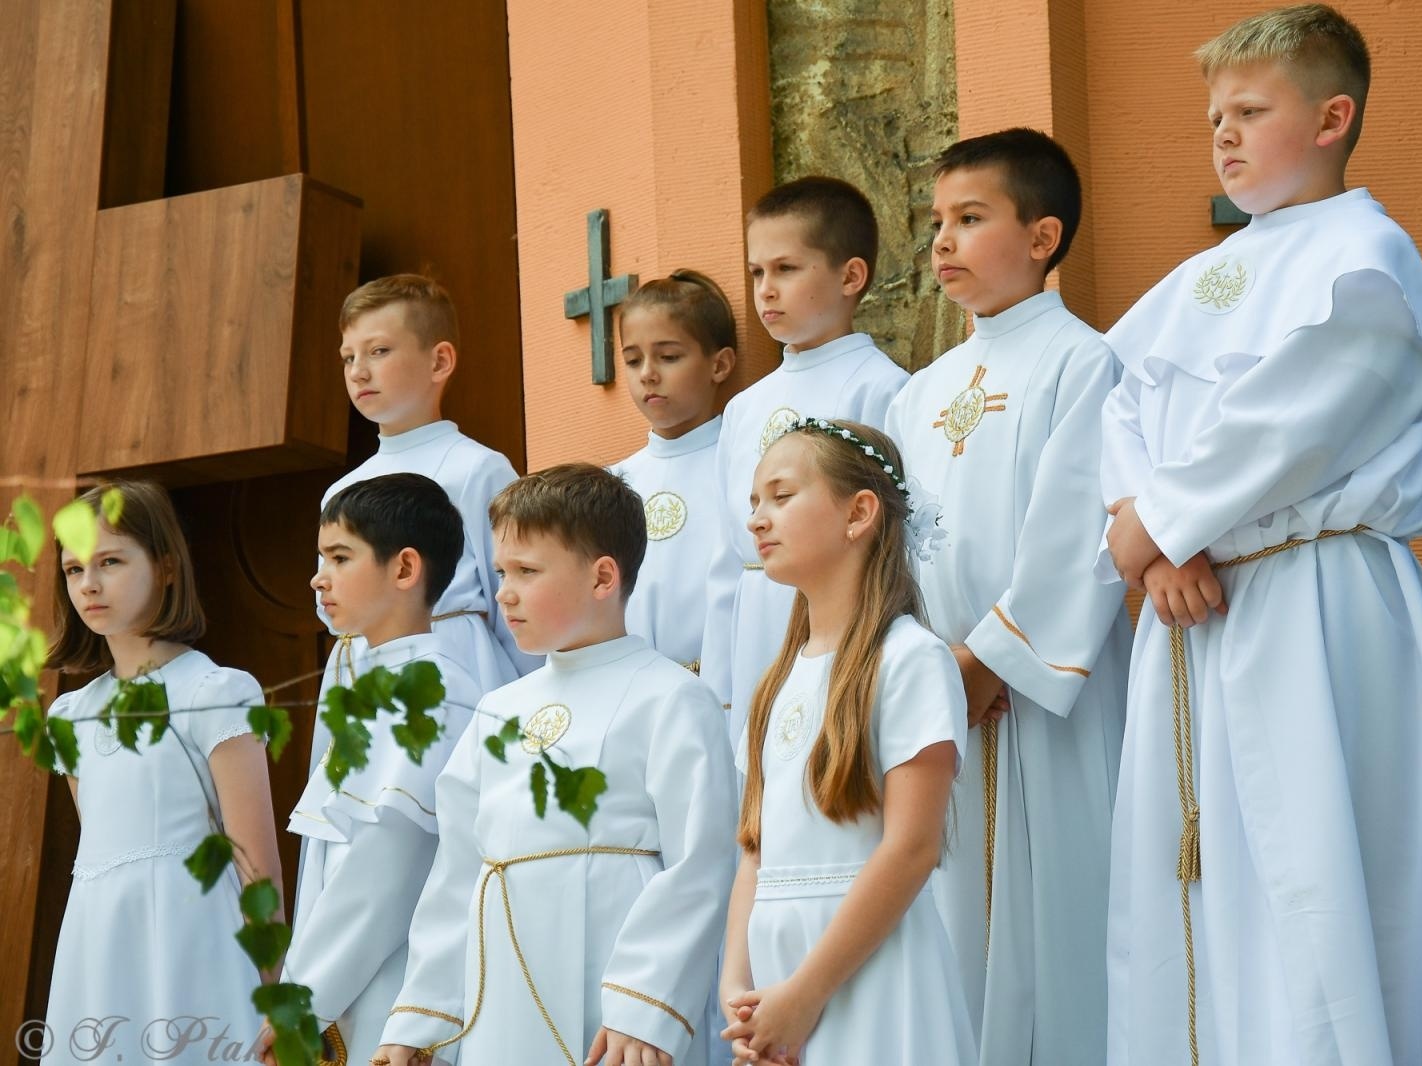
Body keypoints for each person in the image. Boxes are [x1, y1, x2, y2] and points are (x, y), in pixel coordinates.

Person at [1100, 7, 1422, 1064]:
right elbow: (1119, 403)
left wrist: (1161, 525)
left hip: (1313, 605)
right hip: (1199, 602)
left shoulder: (1367, 259)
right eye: (1213, 115)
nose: (1222, 133)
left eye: (1249, 111)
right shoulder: (1197, 278)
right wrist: (1164, 539)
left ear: (1332, 117)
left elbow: (1294, 422)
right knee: (1204, 870)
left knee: (1312, 859)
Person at [884, 127, 1131, 1065]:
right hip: (945, 684)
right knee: (956, 914)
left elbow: (1079, 530)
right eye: (937, 221)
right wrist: (927, 664)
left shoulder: (1083, 362)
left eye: (971, 218)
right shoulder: (922, 393)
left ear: (1042, 236)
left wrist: (989, 659)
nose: (942, 241)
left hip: (1040, 686)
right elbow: (905, 547)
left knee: (1060, 910)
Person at [374, 464, 738, 1066]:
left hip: (615, 1001)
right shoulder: (498, 710)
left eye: (527, 572)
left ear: (602, 577)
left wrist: (646, 1005)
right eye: (499, 572)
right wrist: (419, 1021)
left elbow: (701, 863)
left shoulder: (671, 697)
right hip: (501, 993)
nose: (504, 593)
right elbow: (460, 872)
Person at [719, 419, 975, 1066]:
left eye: (780, 496)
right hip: (777, 982)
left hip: (869, 968)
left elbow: (911, 848)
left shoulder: (910, 660)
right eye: (753, 503)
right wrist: (737, 987)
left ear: (859, 513)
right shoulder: (780, 679)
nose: (758, 519)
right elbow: (756, 845)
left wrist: (805, 995)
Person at [44, 481, 281, 1065]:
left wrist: (280, 995)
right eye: (74, 570)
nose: (90, 585)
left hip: (194, 936)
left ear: (167, 566)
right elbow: (100, 849)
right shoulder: (69, 715)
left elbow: (257, 862)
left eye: (111, 562)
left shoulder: (217, 692)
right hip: (99, 942)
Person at [261, 474, 482, 1064]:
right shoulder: (378, 684)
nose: (318, 577)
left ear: (405, 569)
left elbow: (386, 866)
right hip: (345, 978)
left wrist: (305, 1000)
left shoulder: (429, 694)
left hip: (395, 981)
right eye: (320, 558)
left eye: (340, 557)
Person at [700, 177, 907, 748]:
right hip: (754, 629)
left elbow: (897, 536)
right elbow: (726, 559)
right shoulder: (742, 408)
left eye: (786, 270)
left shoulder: (883, 390)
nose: (766, 290)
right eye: (757, 273)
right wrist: (720, 682)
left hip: (844, 620)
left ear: (850, 276)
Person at [318, 273, 531, 705]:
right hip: (365, 669)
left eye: (378, 351)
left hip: (458, 664)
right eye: (347, 357)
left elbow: (512, 594)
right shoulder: (343, 490)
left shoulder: (477, 469)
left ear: (439, 362)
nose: (359, 371)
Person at [612, 269, 737, 673]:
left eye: (668, 357)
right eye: (633, 360)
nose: (647, 373)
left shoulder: (743, 465)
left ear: (719, 365)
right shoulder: (612, 482)